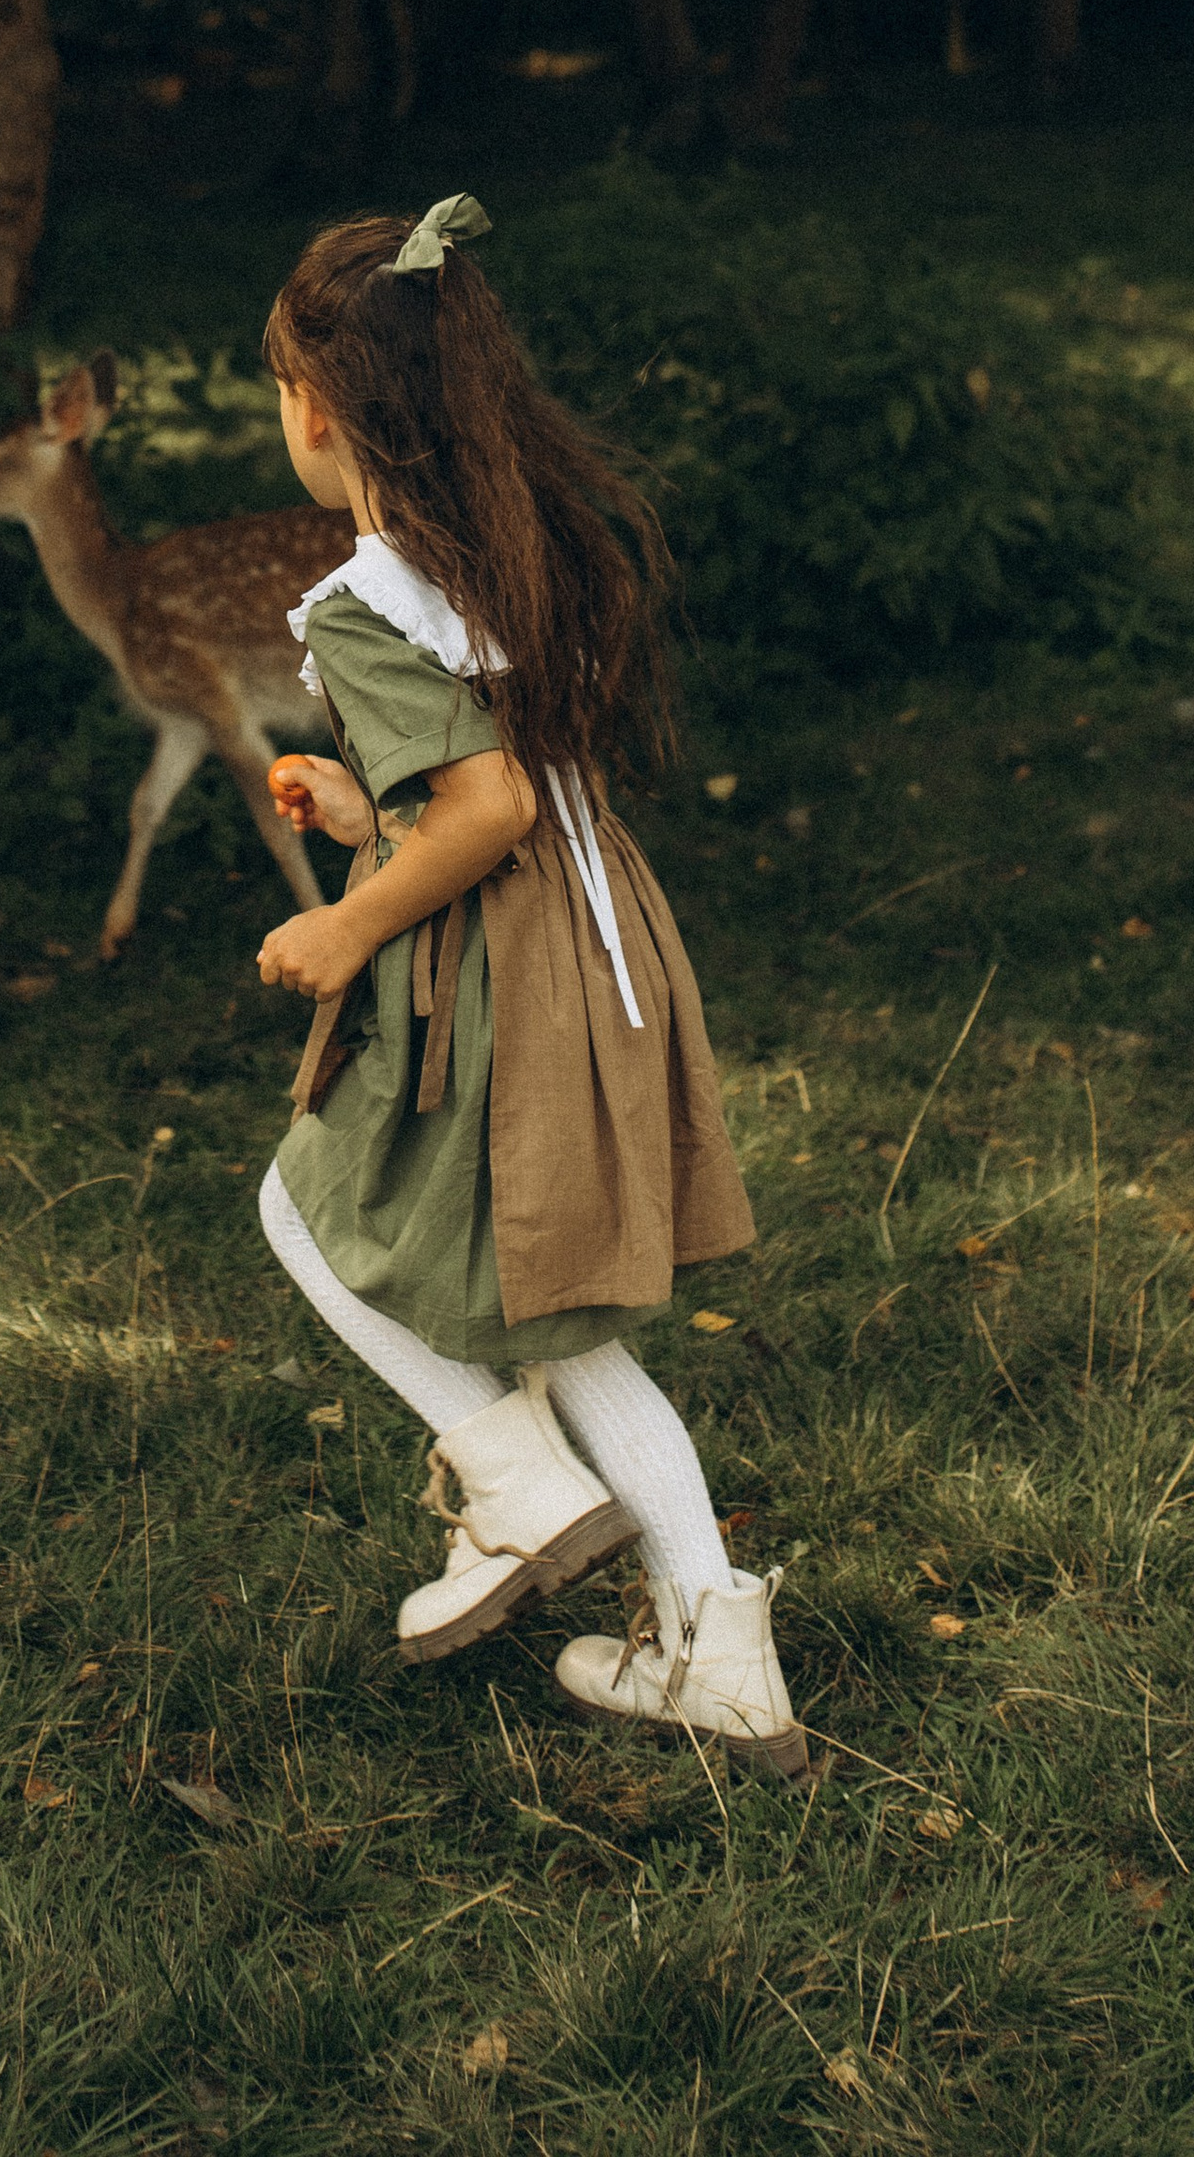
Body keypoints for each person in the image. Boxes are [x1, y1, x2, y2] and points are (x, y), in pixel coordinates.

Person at [253, 192, 802, 1774]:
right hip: (590, 938)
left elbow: (483, 808)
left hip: (495, 970)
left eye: (278, 395)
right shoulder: (498, 546)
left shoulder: (367, 597)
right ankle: (717, 1646)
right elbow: (485, 782)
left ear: (325, 410)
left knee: (307, 1214)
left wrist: (349, 924)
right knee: (559, 1316)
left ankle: (514, 1482)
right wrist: (365, 818)